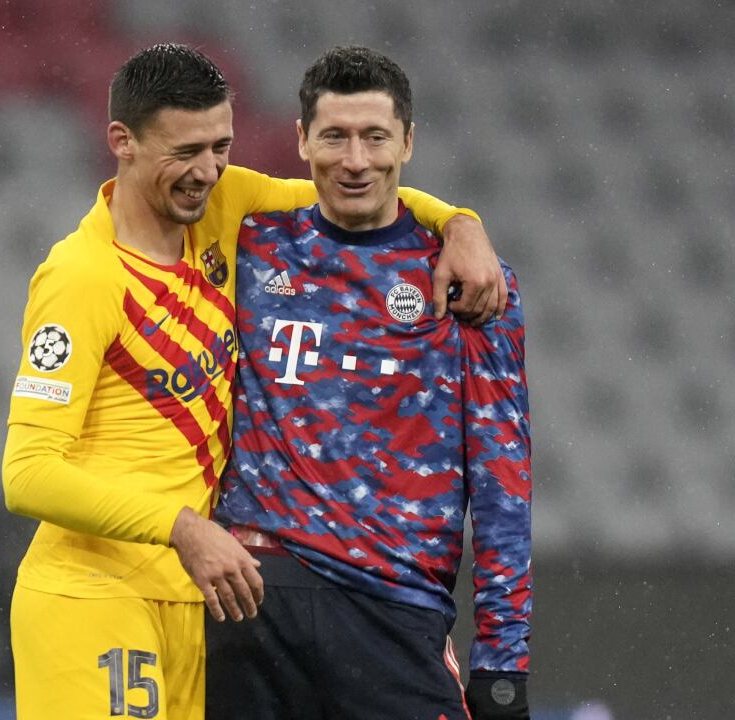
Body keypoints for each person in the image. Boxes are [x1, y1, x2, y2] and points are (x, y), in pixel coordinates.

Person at [1, 43, 505, 720]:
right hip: (92, 598)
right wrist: (181, 526)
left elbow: (354, 197)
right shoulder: (82, 277)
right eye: (186, 151)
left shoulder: (221, 206)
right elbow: (27, 473)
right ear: (121, 142)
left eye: (221, 147)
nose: (207, 170)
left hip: (188, 601)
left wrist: (460, 224)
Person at [207, 46, 532, 720]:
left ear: (407, 142)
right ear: (301, 141)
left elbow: (502, 482)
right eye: (334, 136)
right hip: (257, 600)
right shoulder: (250, 249)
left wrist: (503, 661)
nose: (355, 160)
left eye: (375, 137)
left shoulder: (472, 283)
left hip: (394, 609)